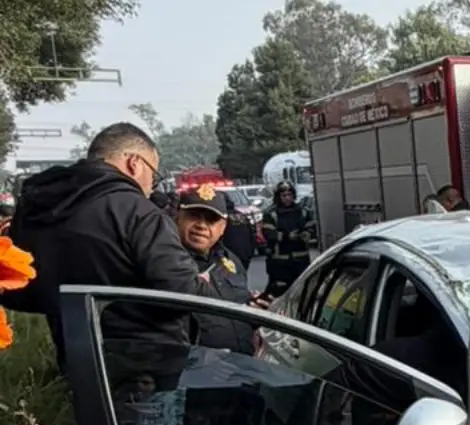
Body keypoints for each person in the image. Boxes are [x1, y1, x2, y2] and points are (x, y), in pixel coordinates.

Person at [2, 122, 227, 368]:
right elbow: (185, 294)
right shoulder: (138, 213)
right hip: (144, 367)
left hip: (76, 361)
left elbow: (18, 289)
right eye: (153, 174)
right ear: (134, 163)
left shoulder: (40, 205)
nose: (151, 186)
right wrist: (210, 290)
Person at [173, 185, 255, 353]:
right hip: (195, 372)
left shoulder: (231, 262)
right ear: (178, 217)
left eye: (211, 219)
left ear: (223, 228)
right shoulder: (169, 263)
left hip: (242, 367)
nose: (201, 225)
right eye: (194, 216)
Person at [261, 180, 316, 295]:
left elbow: (311, 226)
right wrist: (287, 236)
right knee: (279, 292)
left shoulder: (302, 212)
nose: (287, 198)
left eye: (290, 195)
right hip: (280, 262)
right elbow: (269, 233)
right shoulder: (271, 213)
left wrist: (307, 234)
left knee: (302, 292)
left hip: (301, 261)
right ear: (278, 197)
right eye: (284, 195)